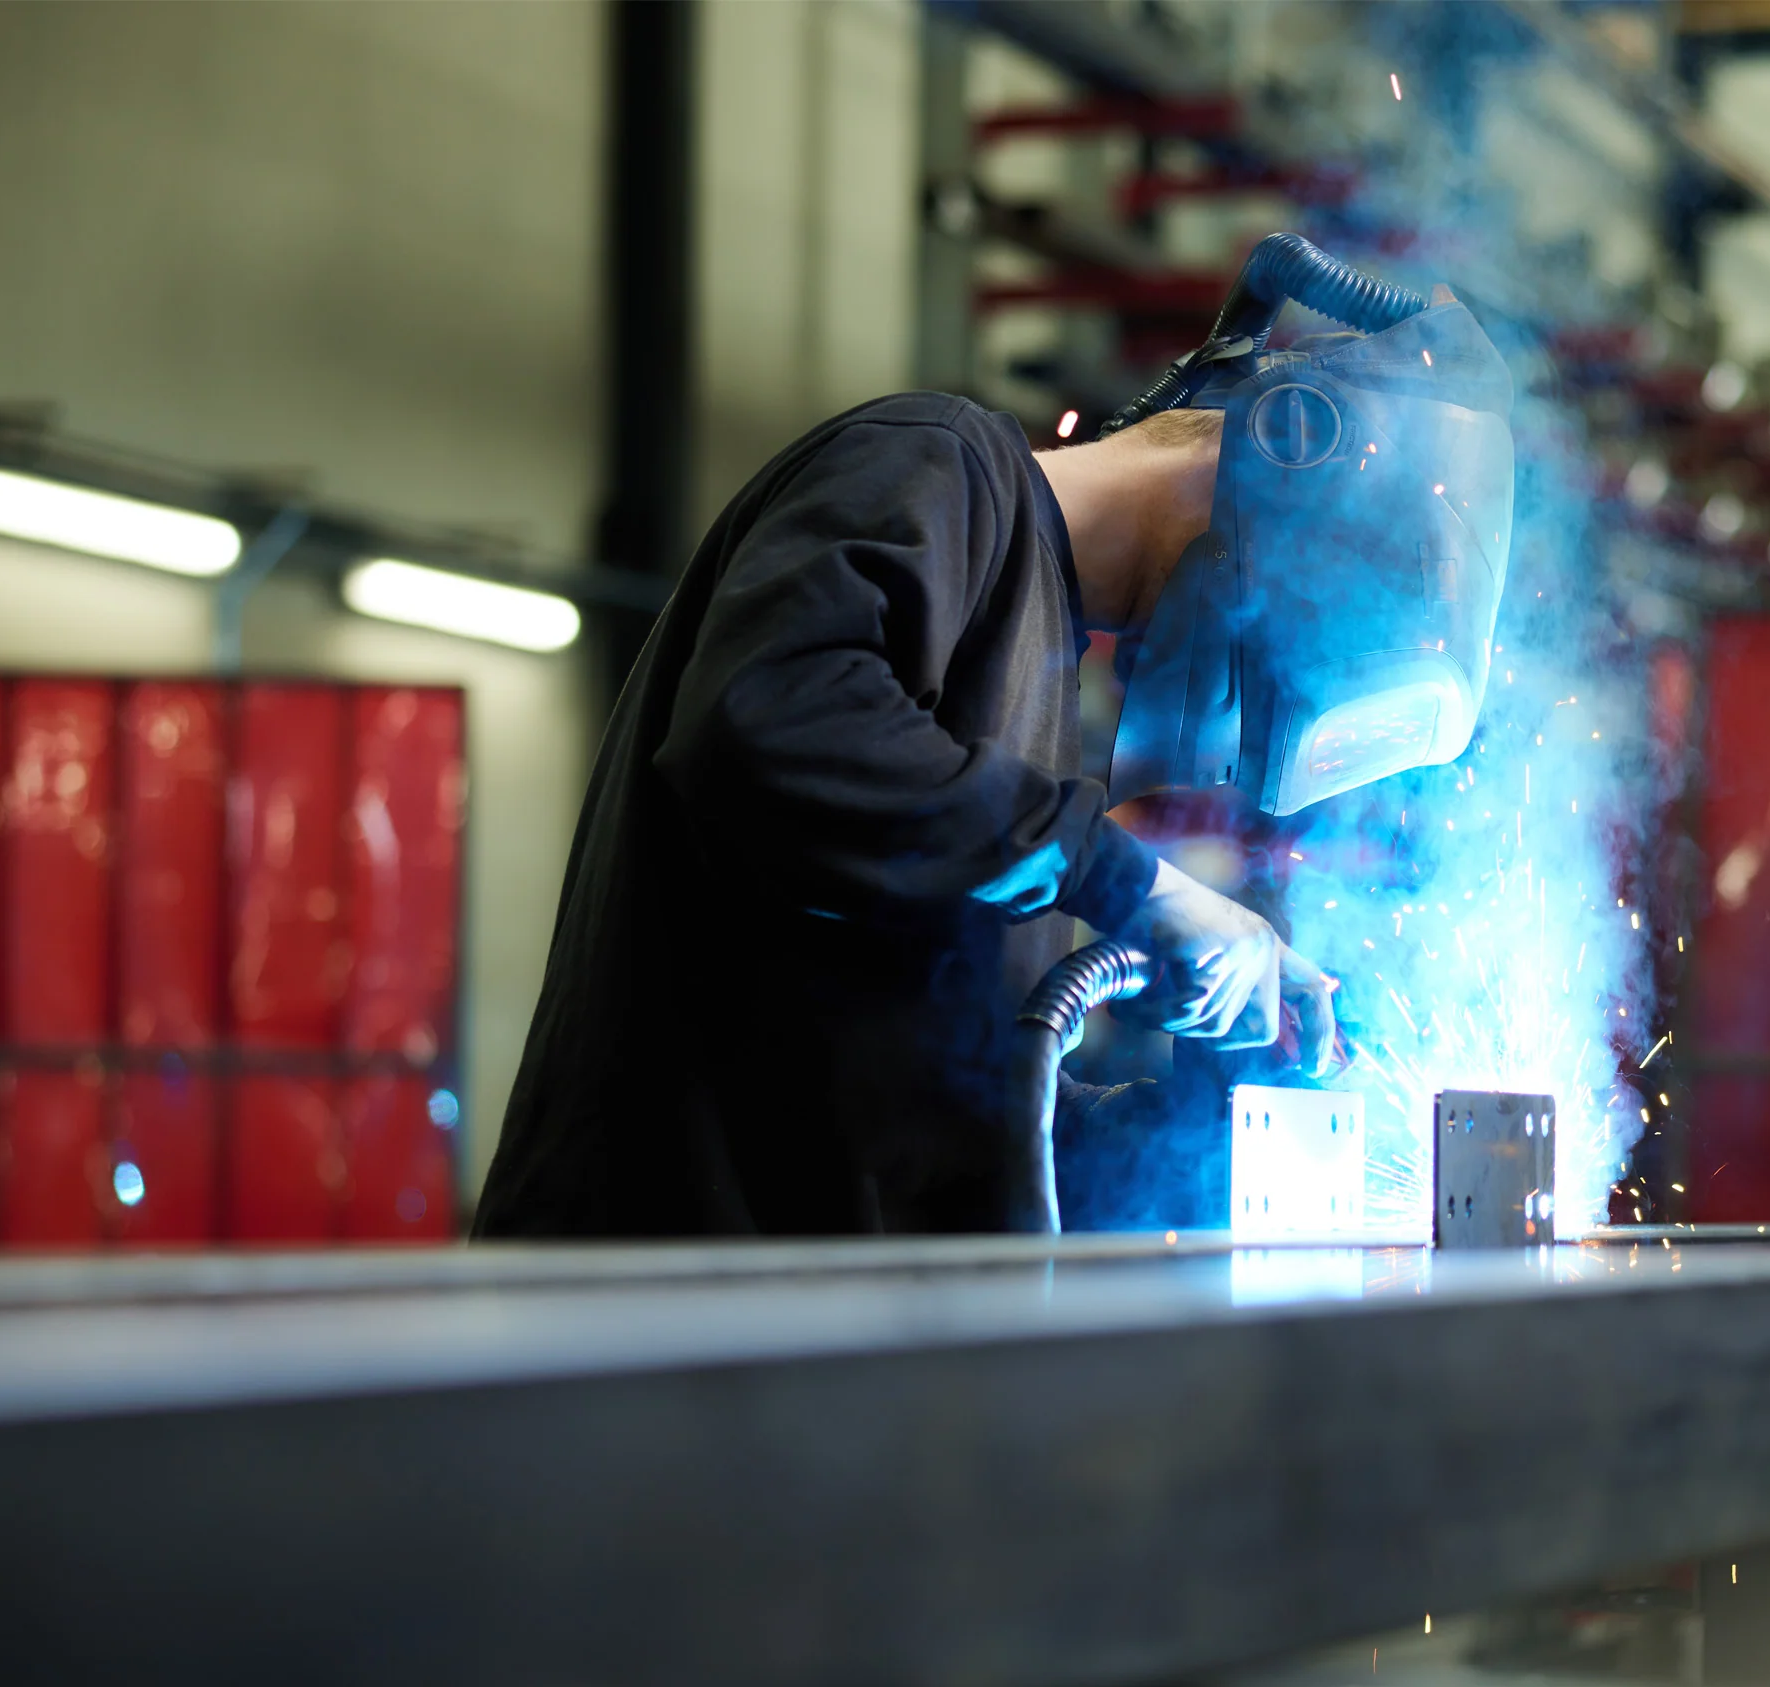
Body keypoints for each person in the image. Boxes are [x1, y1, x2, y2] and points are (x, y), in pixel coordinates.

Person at [476, 236, 1512, 1239]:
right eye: (1269, 649)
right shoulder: (937, 465)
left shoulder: (1036, 717)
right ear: (1276, 475)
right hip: (649, 1321)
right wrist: (1133, 886)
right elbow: (769, 725)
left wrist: (1212, 1110)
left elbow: (977, 1139)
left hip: (813, 1350)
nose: (1235, 694)